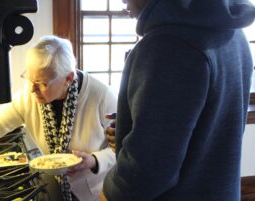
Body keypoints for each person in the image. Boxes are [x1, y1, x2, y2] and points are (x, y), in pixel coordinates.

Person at [102, 0, 255, 200]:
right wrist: (133, 129)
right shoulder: (233, 33)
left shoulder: (168, 46)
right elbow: (213, 127)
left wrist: (110, 194)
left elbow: (148, 170)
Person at [0, 35, 117, 201]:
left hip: (93, 192)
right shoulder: (29, 96)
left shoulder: (101, 96)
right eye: (29, 79)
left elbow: (123, 149)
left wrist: (94, 160)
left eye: (42, 83)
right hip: (53, 187)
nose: (32, 89)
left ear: (68, 78)